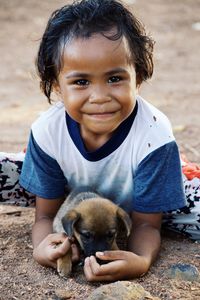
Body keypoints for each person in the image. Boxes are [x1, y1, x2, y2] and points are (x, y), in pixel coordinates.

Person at [0, 0, 189, 282]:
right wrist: (43, 248)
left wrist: (139, 260)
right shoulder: (47, 130)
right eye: (81, 82)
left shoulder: (155, 136)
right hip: (68, 197)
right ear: (56, 85)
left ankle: (181, 174)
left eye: (114, 78)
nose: (99, 97)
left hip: (137, 203)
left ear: (138, 77)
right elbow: (44, 217)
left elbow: (147, 225)